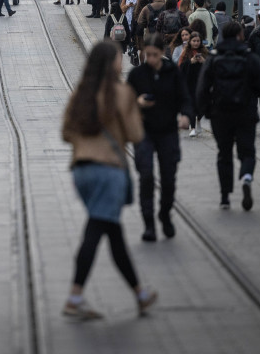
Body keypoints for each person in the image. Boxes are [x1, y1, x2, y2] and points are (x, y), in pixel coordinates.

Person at [60, 42, 156, 320]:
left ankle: (140, 294)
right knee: (96, 230)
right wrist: (135, 109)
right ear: (111, 63)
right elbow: (136, 135)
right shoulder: (121, 93)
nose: (122, 62)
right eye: (118, 59)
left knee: (111, 232)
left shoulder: (81, 93)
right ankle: (75, 297)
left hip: (82, 171)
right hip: (108, 171)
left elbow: (66, 132)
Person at [198, 22, 260, 211]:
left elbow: (202, 88)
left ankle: (224, 197)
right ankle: (246, 177)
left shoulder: (213, 58)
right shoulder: (249, 57)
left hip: (220, 114)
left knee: (224, 154)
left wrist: (206, 111)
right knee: (247, 152)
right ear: (239, 35)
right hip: (245, 112)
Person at [126, 34, 192, 241]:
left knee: (168, 178)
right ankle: (149, 224)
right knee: (146, 175)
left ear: (162, 53)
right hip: (143, 131)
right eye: (148, 55)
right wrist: (137, 102)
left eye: (155, 55)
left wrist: (186, 116)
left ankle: (164, 213)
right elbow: (125, 103)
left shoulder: (172, 72)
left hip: (167, 131)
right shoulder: (137, 75)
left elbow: (185, 97)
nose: (151, 59)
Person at [178, 31, 208, 137]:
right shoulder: (185, 53)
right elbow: (181, 68)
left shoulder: (204, 52)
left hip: (201, 83)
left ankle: (198, 121)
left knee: (202, 105)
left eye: (198, 41)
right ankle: (193, 127)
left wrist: (204, 61)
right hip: (189, 84)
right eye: (194, 41)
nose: (196, 43)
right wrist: (190, 62)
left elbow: (210, 67)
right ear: (190, 42)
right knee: (191, 106)